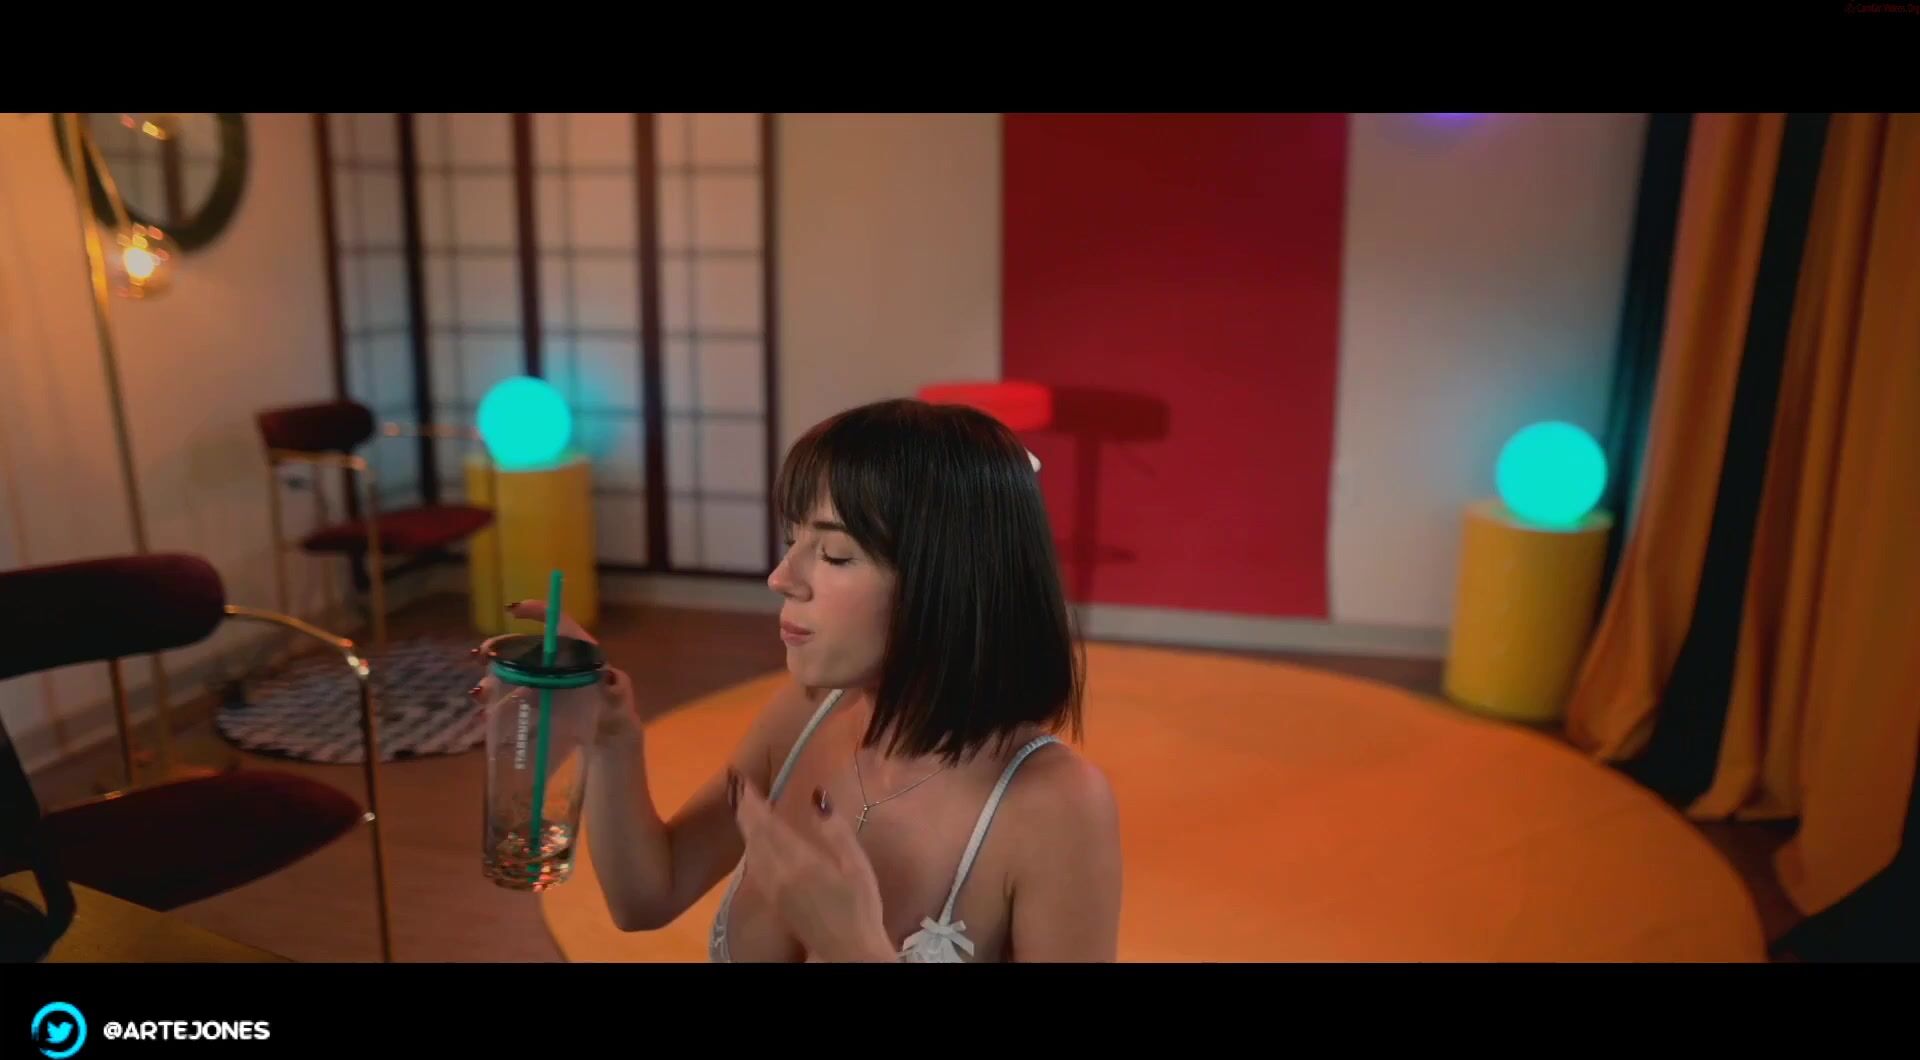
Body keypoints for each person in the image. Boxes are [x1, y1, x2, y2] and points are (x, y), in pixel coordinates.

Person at [483, 398, 1122, 962]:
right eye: (792, 541)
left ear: (950, 583)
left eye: (835, 553)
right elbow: (647, 897)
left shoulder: (1055, 807)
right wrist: (611, 737)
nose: (781, 577)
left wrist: (857, 952)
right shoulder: (805, 716)